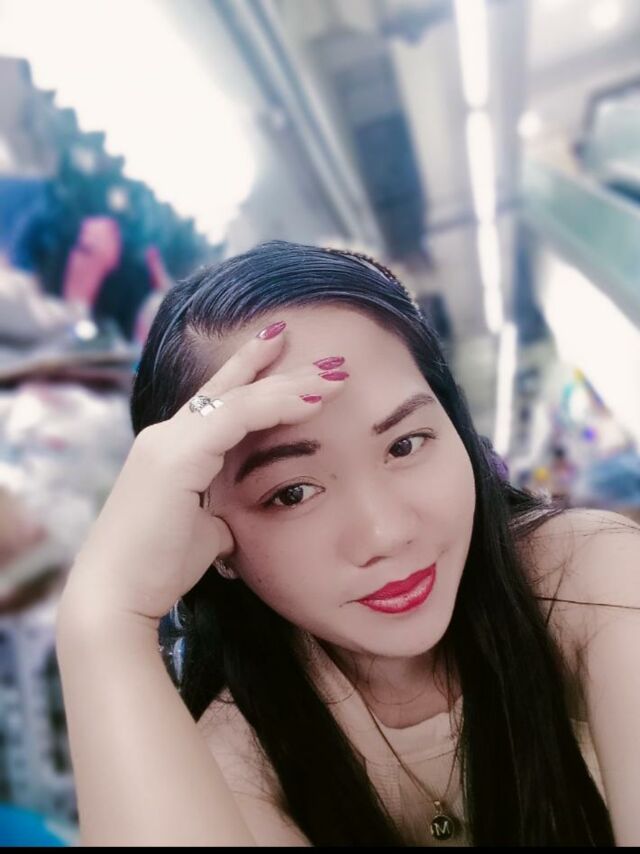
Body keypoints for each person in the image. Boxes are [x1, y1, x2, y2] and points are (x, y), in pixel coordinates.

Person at [54, 241, 640, 847]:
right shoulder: (226, 771)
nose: (386, 533)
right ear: (212, 540)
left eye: (405, 445)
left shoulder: (592, 580)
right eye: (292, 492)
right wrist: (104, 616)